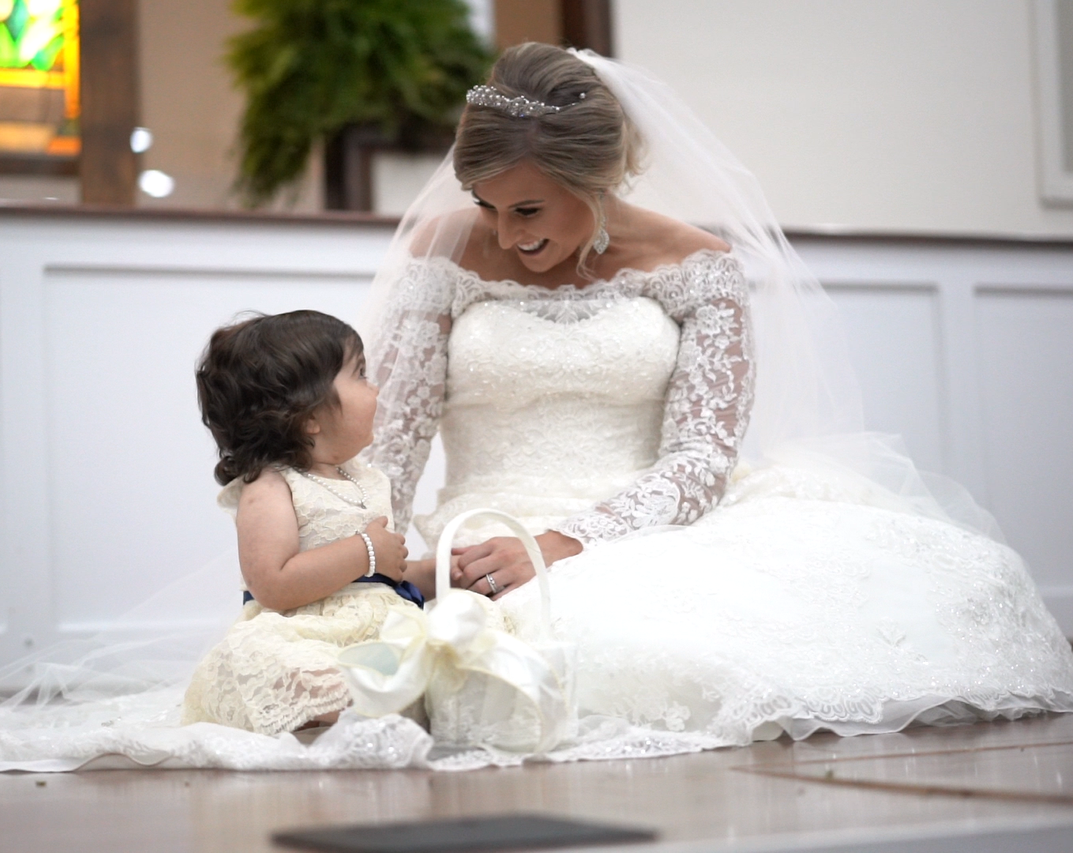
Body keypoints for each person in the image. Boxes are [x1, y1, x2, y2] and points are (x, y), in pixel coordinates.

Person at [362, 42, 1073, 749]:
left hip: (646, 527)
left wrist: (555, 544)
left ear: (599, 177)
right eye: (485, 206)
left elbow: (701, 457)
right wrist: (374, 567)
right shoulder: (445, 251)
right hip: (483, 527)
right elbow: (393, 439)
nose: (505, 233)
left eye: (527, 209)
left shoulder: (698, 265)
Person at [180, 310, 422, 735]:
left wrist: (442, 573)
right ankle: (359, 701)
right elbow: (272, 585)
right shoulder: (271, 487)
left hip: (378, 630)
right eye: (360, 374)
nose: (376, 387)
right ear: (309, 415)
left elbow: (384, 576)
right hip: (307, 634)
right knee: (272, 664)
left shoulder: (365, 477)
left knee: (446, 644)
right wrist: (365, 550)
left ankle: (397, 694)